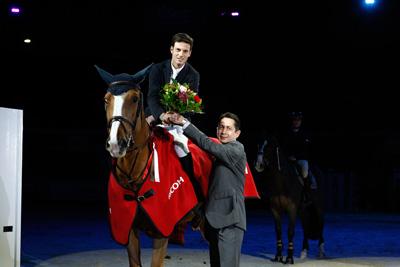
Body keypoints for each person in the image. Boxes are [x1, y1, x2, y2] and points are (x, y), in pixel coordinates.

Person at [169, 112, 247, 267]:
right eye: (221, 127)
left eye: (228, 128)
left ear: (237, 133)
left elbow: (207, 143)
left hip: (230, 220)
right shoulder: (219, 152)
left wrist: (185, 124)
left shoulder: (236, 150)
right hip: (214, 220)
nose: (223, 131)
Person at [145, 32, 200, 125]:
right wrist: (161, 115)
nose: (181, 54)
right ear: (171, 50)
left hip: (178, 118)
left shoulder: (194, 75)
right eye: (178, 50)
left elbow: (190, 104)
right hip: (155, 113)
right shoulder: (157, 69)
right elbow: (152, 96)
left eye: (185, 51)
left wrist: (173, 117)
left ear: (190, 53)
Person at [280, 112, 314, 200]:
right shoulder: (287, 132)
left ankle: (306, 192)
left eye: (298, 120)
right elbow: (285, 147)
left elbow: (306, 148)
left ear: (301, 121)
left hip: (301, 159)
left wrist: (297, 157)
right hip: (289, 159)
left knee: (305, 170)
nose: (296, 122)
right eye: (295, 120)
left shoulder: (305, 133)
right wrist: (288, 156)